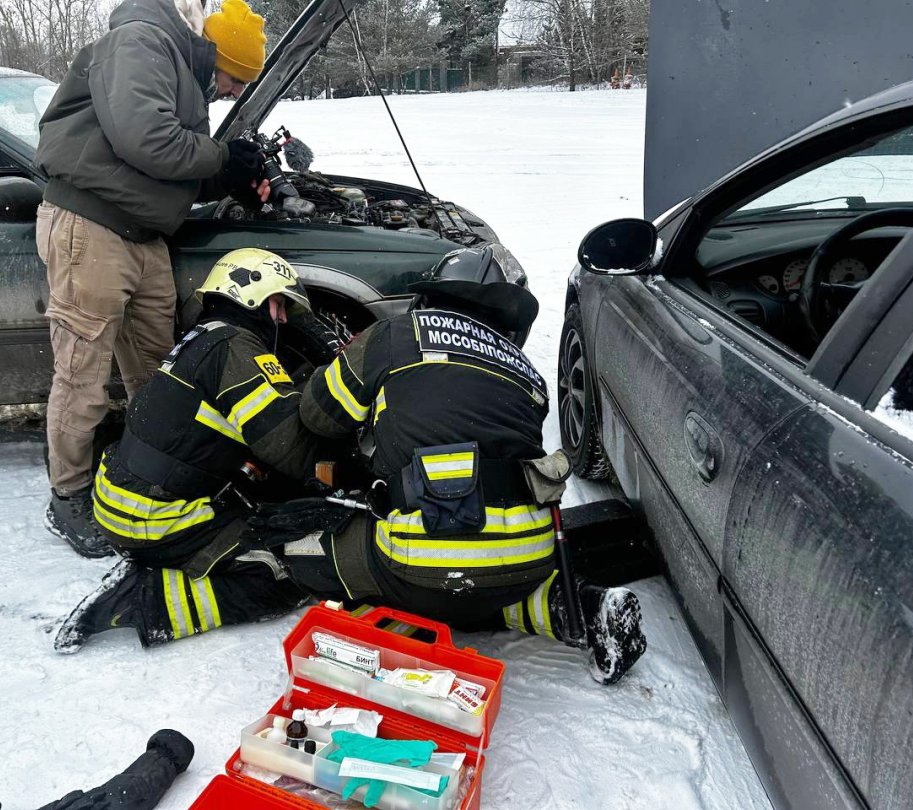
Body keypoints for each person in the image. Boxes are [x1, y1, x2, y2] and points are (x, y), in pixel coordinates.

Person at [290, 272, 647, 684]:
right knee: (488, 584)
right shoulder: (525, 368)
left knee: (310, 552)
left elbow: (317, 415)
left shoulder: (396, 335)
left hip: (423, 558)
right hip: (526, 554)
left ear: (429, 299)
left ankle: (419, 600)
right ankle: (585, 606)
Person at [35, 0, 272, 558]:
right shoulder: (143, 41)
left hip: (144, 236)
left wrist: (233, 175)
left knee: (163, 370)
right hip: (90, 225)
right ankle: (68, 493)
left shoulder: (186, 76)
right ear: (216, 54)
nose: (233, 93)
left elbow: (167, 169)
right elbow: (146, 140)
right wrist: (221, 159)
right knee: (82, 371)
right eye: (236, 80)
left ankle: (150, 473)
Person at [53, 248, 335, 651]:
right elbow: (289, 446)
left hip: (123, 501)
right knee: (292, 570)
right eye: (279, 304)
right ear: (252, 295)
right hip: (155, 517)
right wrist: (345, 469)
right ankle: (145, 600)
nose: (284, 318)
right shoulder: (236, 348)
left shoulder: (201, 339)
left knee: (265, 506)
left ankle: (164, 558)